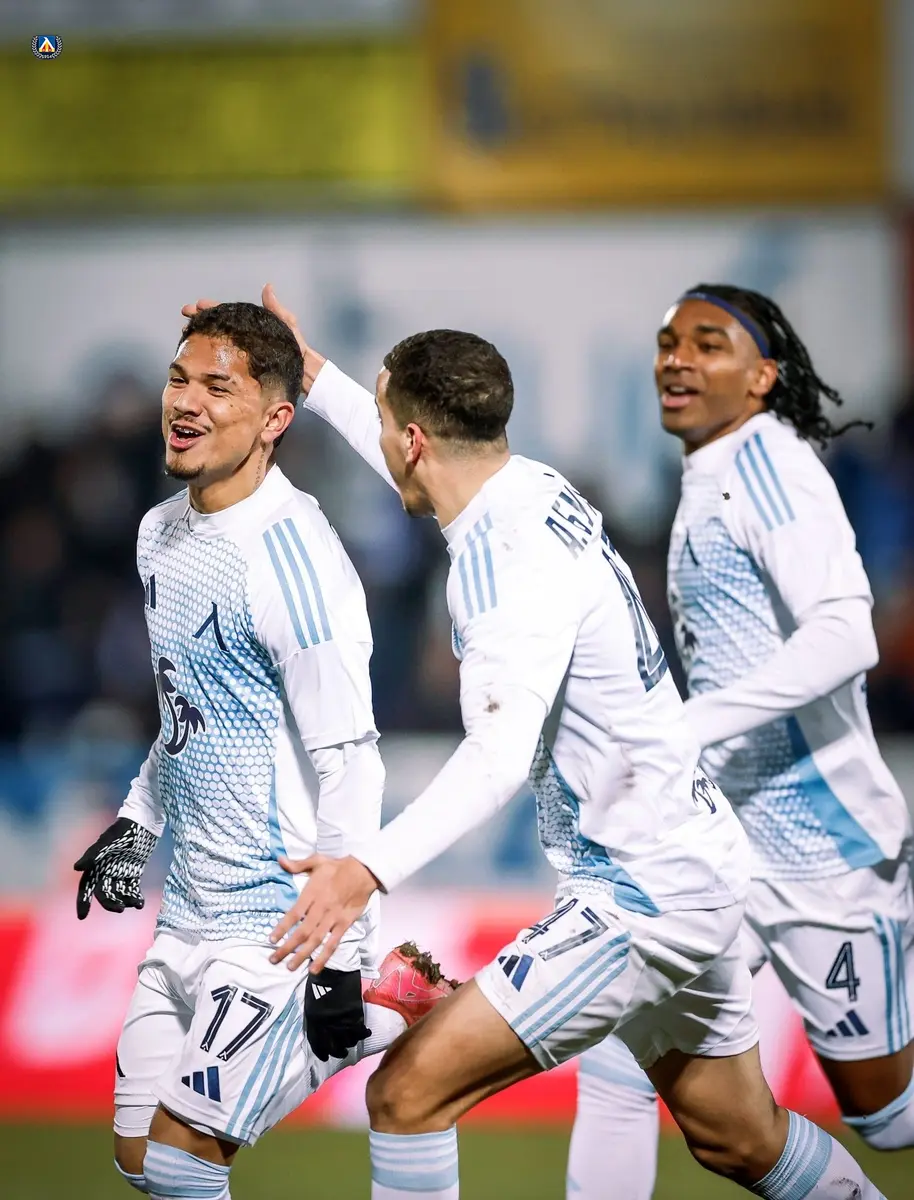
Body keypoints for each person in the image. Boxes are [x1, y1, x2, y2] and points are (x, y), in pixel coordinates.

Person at [186, 285, 885, 1199]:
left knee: (406, 1093)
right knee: (738, 1138)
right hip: (696, 859)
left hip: (642, 892)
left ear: (415, 441)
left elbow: (496, 759)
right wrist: (312, 376)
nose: (385, 443)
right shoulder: (530, 486)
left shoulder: (499, 570)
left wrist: (365, 869)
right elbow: (408, 448)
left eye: (390, 428)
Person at [74, 302, 455, 1200]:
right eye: (179, 379)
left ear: (276, 419)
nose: (186, 403)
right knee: (138, 1160)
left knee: (181, 1162)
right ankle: (379, 1012)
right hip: (187, 909)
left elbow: (353, 762)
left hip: (276, 927)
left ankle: (369, 1009)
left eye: (219, 388)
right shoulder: (159, 534)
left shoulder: (296, 561)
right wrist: (136, 822)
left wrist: (340, 956)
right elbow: (187, 714)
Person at [567, 285, 914, 1199]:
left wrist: (685, 728)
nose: (676, 358)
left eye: (708, 343)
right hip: (722, 845)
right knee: (621, 1050)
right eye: (667, 341)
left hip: (821, 849)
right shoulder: (711, 472)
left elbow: (846, 635)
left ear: (762, 376)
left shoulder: (769, 466)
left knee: (889, 1117)